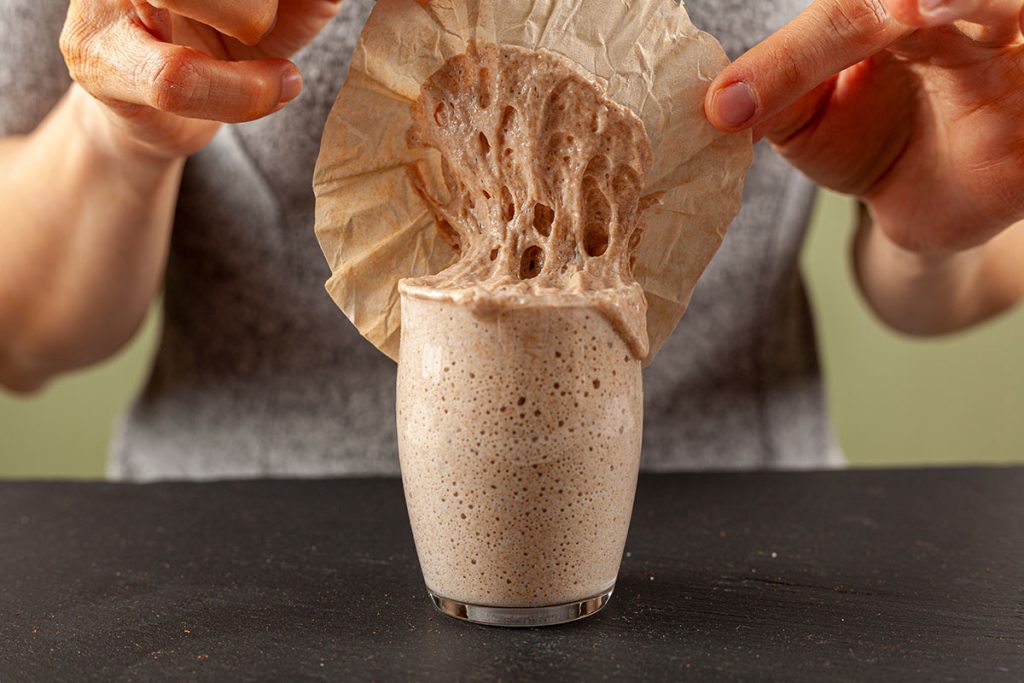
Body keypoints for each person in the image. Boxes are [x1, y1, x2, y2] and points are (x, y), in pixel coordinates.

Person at [1, 0, 1021, 479]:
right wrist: (124, 131)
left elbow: (938, 284)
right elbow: (22, 329)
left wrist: (929, 214)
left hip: (745, 570)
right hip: (239, 573)